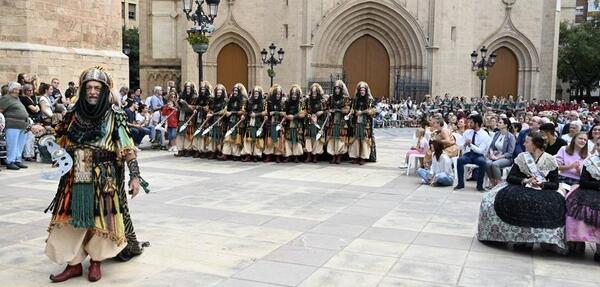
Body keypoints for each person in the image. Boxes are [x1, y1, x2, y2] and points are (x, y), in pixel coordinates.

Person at [44, 67, 148, 282]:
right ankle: (73, 265)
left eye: (97, 88)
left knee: (101, 221)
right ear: (83, 90)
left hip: (105, 175)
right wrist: (45, 136)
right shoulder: (73, 115)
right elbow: (60, 139)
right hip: (75, 174)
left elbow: (127, 149)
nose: (92, 91)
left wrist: (135, 177)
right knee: (70, 219)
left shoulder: (115, 115)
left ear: (104, 91)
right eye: (89, 87)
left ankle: (95, 263)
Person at [477, 132, 566, 253]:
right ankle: (518, 238)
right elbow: (511, 178)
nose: (524, 144)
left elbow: (555, 184)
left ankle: (542, 239)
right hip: (522, 186)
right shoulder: (522, 157)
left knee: (548, 205)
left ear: (535, 145)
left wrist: (542, 184)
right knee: (501, 200)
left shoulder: (550, 160)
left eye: (527, 142)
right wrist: (526, 180)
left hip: (543, 190)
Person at [565, 153, 600, 262]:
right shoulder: (591, 161)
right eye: (598, 144)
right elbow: (583, 182)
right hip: (589, 191)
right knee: (579, 208)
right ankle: (577, 242)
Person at [455, 113, 490, 192]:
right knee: (460, 160)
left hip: (479, 155)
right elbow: (459, 146)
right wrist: (464, 144)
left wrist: (470, 145)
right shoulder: (467, 132)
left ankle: (479, 185)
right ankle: (460, 183)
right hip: (468, 154)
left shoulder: (484, 135)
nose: (469, 124)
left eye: (471, 122)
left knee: (482, 162)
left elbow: (480, 150)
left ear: (477, 124)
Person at [0, 82, 29, 170]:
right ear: (14, 90)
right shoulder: (6, 98)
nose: (20, 90)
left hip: (22, 125)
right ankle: (10, 161)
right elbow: (1, 110)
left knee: (20, 144)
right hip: (12, 124)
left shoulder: (17, 98)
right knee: (12, 144)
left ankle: (17, 160)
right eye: (18, 88)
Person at [348, 82, 376, 165]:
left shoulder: (370, 100)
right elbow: (352, 109)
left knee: (364, 140)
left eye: (364, 90)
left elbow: (373, 110)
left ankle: (363, 157)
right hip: (356, 122)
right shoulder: (355, 99)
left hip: (365, 123)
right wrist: (354, 112)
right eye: (361, 90)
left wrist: (363, 112)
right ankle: (355, 156)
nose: (362, 92)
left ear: (366, 91)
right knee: (356, 139)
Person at [219, 83, 247, 161]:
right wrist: (227, 112)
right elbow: (227, 109)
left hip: (238, 121)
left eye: (236, 90)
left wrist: (232, 113)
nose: (234, 92)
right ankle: (225, 153)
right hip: (231, 121)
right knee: (228, 137)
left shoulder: (243, 100)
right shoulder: (231, 99)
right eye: (233, 90)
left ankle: (236, 154)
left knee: (236, 138)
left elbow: (243, 112)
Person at [485, 118, 516, 188]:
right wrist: (492, 154)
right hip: (495, 155)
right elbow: (491, 146)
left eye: (500, 122)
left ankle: (499, 183)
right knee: (487, 163)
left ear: (505, 125)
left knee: (495, 164)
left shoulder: (510, 137)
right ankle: (492, 182)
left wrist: (498, 157)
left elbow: (510, 153)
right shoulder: (497, 134)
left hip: (506, 158)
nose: (498, 124)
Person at [326, 80, 350, 164]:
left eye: (338, 89)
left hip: (341, 121)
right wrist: (329, 111)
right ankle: (333, 156)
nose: (337, 90)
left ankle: (339, 156)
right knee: (332, 139)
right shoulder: (331, 98)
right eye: (335, 88)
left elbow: (347, 109)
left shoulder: (345, 98)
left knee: (340, 139)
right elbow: (327, 107)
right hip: (333, 121)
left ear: (341, 89)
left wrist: (338, 110)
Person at [242, 86, 267, 162]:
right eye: (254, 93)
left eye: (257, 93)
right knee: (248, 138)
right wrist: (244, 115)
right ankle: (248, 154)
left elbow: (265, 112)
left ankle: (256, 155)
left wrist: (256, 115)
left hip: (258, 123)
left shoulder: (263, 102)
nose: (256, 95)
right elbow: (245, 111)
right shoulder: (249, 101)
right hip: (250, 122)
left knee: (257, 138)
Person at [174, 81, 199, 157]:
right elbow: (178, 105)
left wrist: (186, 104)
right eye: (186, 87)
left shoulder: (195, 96)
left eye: (189, 87)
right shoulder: (182, 95)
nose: (188, 89)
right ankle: (181, 149)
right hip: (182, 115)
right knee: (180, 132)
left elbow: (194, 107)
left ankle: (188, 149)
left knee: (188, 133)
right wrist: (178, 104)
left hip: (190, 116)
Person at [263, 85, 286, 163]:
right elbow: (268, 112)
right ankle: (269, 155)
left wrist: (276, 113)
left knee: (279, 139)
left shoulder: (283, 102)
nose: (278, 95)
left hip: (279, 123)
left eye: (279, 94)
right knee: (269, 138)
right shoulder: (269, 102)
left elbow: (284, 113)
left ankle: (278, 156)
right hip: (271, 123)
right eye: (276, 94)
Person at [304, 83, 327, 163]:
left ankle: (315, 156)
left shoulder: (322, 100)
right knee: (308, 139)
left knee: (317, 139)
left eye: (315, 92)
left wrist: (321, 112)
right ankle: (309, 155)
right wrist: (308, 115)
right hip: (309, 122)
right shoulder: (307, 100)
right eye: (312, 92)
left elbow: (326, 110)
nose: (314, 94)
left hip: (318, 122)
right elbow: (304, 110)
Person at [283, 85, 305, 163]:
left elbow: (303, 113)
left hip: (297, 124)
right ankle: (289, 155)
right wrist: (287, 116)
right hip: (288, 123)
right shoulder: (287, 102)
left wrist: (294, 116)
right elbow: (284, 112)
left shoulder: (301, 102)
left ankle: (296, 156)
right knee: (288, 139)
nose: (294, 96)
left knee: (297, 139)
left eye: (295, 94)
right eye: (292, 94)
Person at [206, 84, 228, 159]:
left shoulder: (225, 101)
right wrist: (209, 112)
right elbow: (209, 108)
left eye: (220, 91)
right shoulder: (213, 100)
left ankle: (220, 151)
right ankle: (213, 151)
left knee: (220, 136)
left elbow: (224, 111)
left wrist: (213, 114)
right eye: (217, 91)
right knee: (212, 136)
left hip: (221, 120)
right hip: (212, 120)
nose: (218, 93)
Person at [192, 81, 212, 158]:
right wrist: (196, 108)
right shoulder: (199, 98)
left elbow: (210, 108)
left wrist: (206, 110)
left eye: (204, 89)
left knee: (204, 134)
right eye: (201, 89)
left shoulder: (210, 98)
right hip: (198, 117)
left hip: (205, 118)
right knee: (198, 133)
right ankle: (198, 149)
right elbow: (195, 105)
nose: (202, 90)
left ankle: (204, 150)